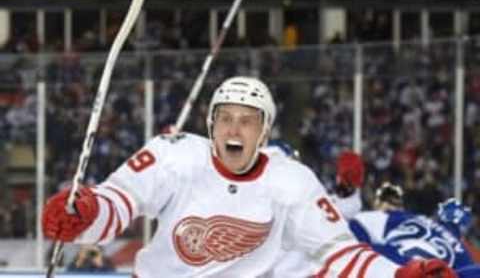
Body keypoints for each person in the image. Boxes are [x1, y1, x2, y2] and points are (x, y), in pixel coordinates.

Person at [42, 76, 455, 277]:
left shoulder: (291, 180)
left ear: (265, 132)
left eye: (247, 121)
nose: (234, 130)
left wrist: (400, 274)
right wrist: (86, 213)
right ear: (210, 124)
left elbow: (341, 256)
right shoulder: (173, 155)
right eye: (224, 119)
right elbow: (118, 202)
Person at [349, 182, 480, 278]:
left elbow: (354, 230)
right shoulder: (460, 250)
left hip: (394, 260)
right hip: (426, 270)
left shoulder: (396, 216)